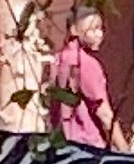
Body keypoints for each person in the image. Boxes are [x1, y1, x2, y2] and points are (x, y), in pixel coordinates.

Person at [44, 14, 115, 150]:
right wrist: (125, 151)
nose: (99, 34)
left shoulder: (57, 60)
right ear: (74, 30)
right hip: (88, 146)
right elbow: (105, 114)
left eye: (100, 28)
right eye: (92, 29)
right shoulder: (85, 63)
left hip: (61, 144)